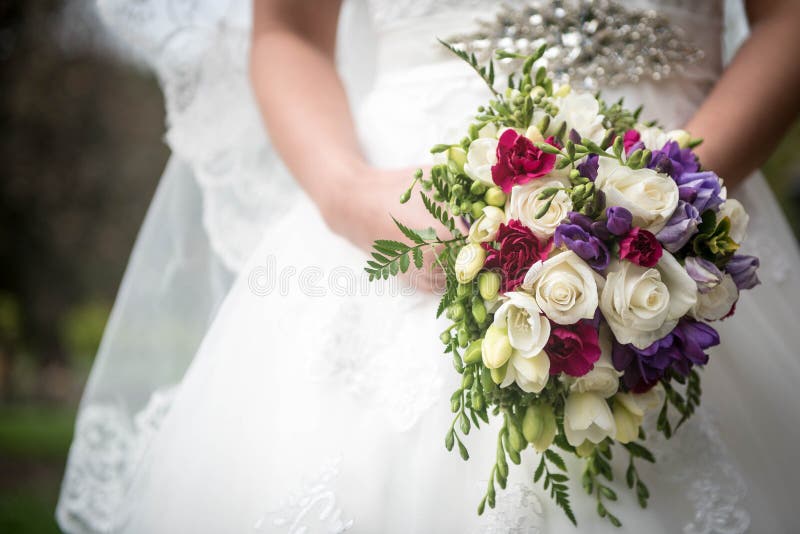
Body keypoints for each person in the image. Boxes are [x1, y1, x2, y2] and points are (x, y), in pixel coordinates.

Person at [57, 0, 800, 532]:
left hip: (688, 189)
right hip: (405, 204)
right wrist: (350, 194)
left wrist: (668, 201)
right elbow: (288, 30)